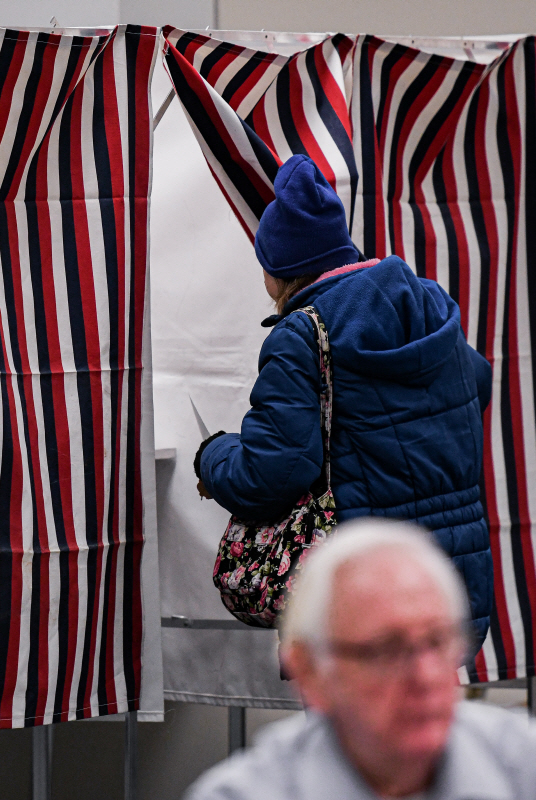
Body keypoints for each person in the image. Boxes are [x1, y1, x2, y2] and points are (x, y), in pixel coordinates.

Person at [194, 155, 493, 645]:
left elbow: (272, 472)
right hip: (450, 580)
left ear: (280, 267)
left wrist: (213, 456)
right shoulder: (428, 302)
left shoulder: (301, 336)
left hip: (364, 586)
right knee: (428, 691)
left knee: (361, 696)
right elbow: (476, 382)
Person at [185, 519, 536, 800]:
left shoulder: (522, 765)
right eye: (387, 651)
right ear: (309, 671)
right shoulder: (245, 792)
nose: (426, 676)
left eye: (437, 641)